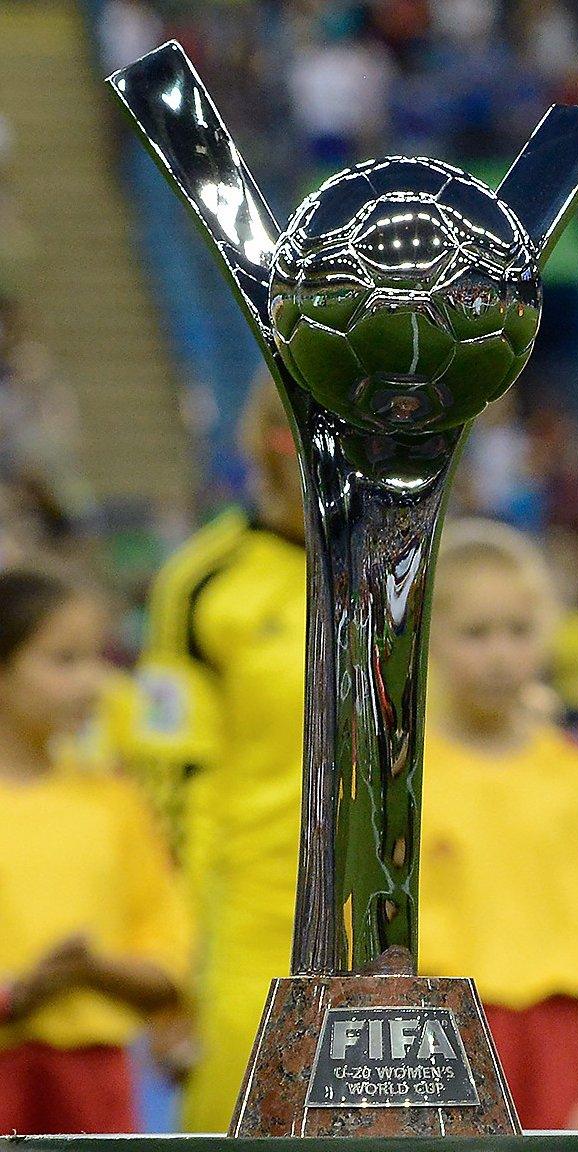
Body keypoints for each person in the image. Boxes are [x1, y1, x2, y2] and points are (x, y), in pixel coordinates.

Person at [418, 521, 578, 1129]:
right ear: (428, 636)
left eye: (518, 632)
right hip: (437, 1052)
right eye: (476, 634)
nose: (500, 654)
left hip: (568, 1048)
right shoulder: (400, 786)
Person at [126, 383, 308, 1132]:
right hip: (250, 920)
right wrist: (172, 966)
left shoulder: (431, 568)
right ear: (266, 440)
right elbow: (167, 776)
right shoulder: (202, 581)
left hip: (424, 921)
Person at [0, 569, 187, 1132]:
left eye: (98, 658)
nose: (95, 683)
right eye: (64, 660)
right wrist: (15, 998)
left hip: (93, 1086)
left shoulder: (114, 803)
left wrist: (89, 971)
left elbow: (166, 962)